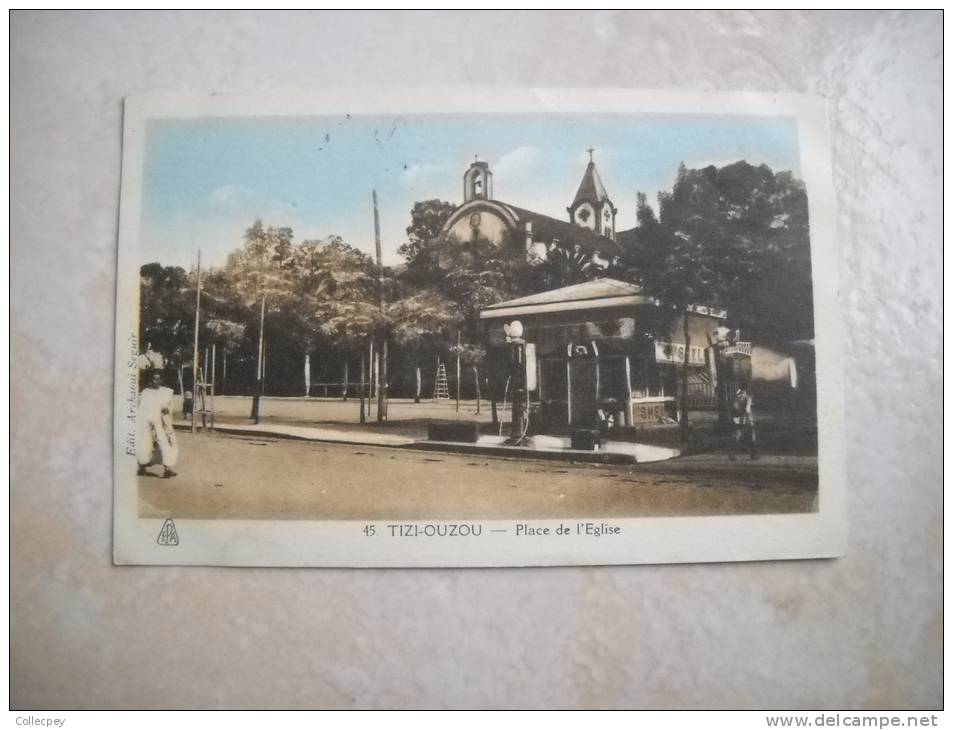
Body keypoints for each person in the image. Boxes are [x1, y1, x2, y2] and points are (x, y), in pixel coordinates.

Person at [137, 372, 179, 478]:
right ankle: (142, 466)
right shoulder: (146, 392)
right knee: (144, 441)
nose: (155, 381)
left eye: (157, 379)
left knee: (165, 441)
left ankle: (168, 468)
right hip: (145, 419)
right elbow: (140, 407)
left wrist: (166, 410)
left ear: (162, 380)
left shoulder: (167, 392)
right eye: (153, 379)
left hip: (160, 420)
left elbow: (169, 408)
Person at [728, 382, 757, 461]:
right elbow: (747, 409)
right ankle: (753, 455)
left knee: (736, 435)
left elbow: (733, 406)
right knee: (752, 436)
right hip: (744, 418)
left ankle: (732, 454)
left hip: (736, 418)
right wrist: (749, 420)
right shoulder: (747, 397)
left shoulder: (736, 395)